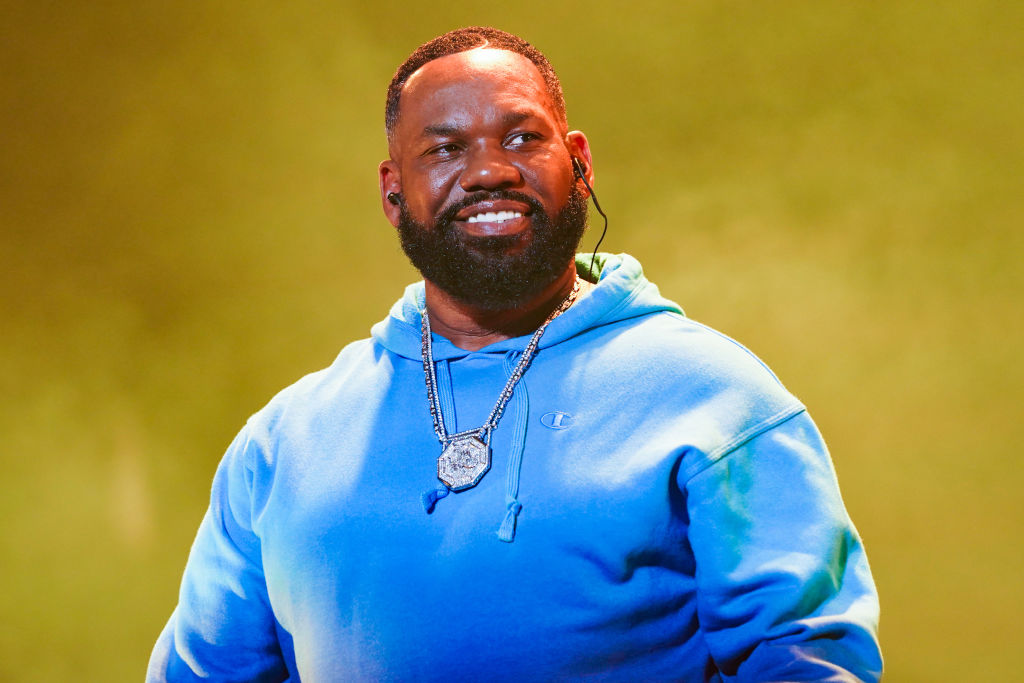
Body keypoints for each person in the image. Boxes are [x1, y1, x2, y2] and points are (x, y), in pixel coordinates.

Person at [148, 26, 882, 682]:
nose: (488, 170)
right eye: (444, 148)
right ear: (393, 191)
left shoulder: (717, 397)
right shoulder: (284, 442)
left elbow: (806, 660)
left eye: (522, 138)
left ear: (580, 163)